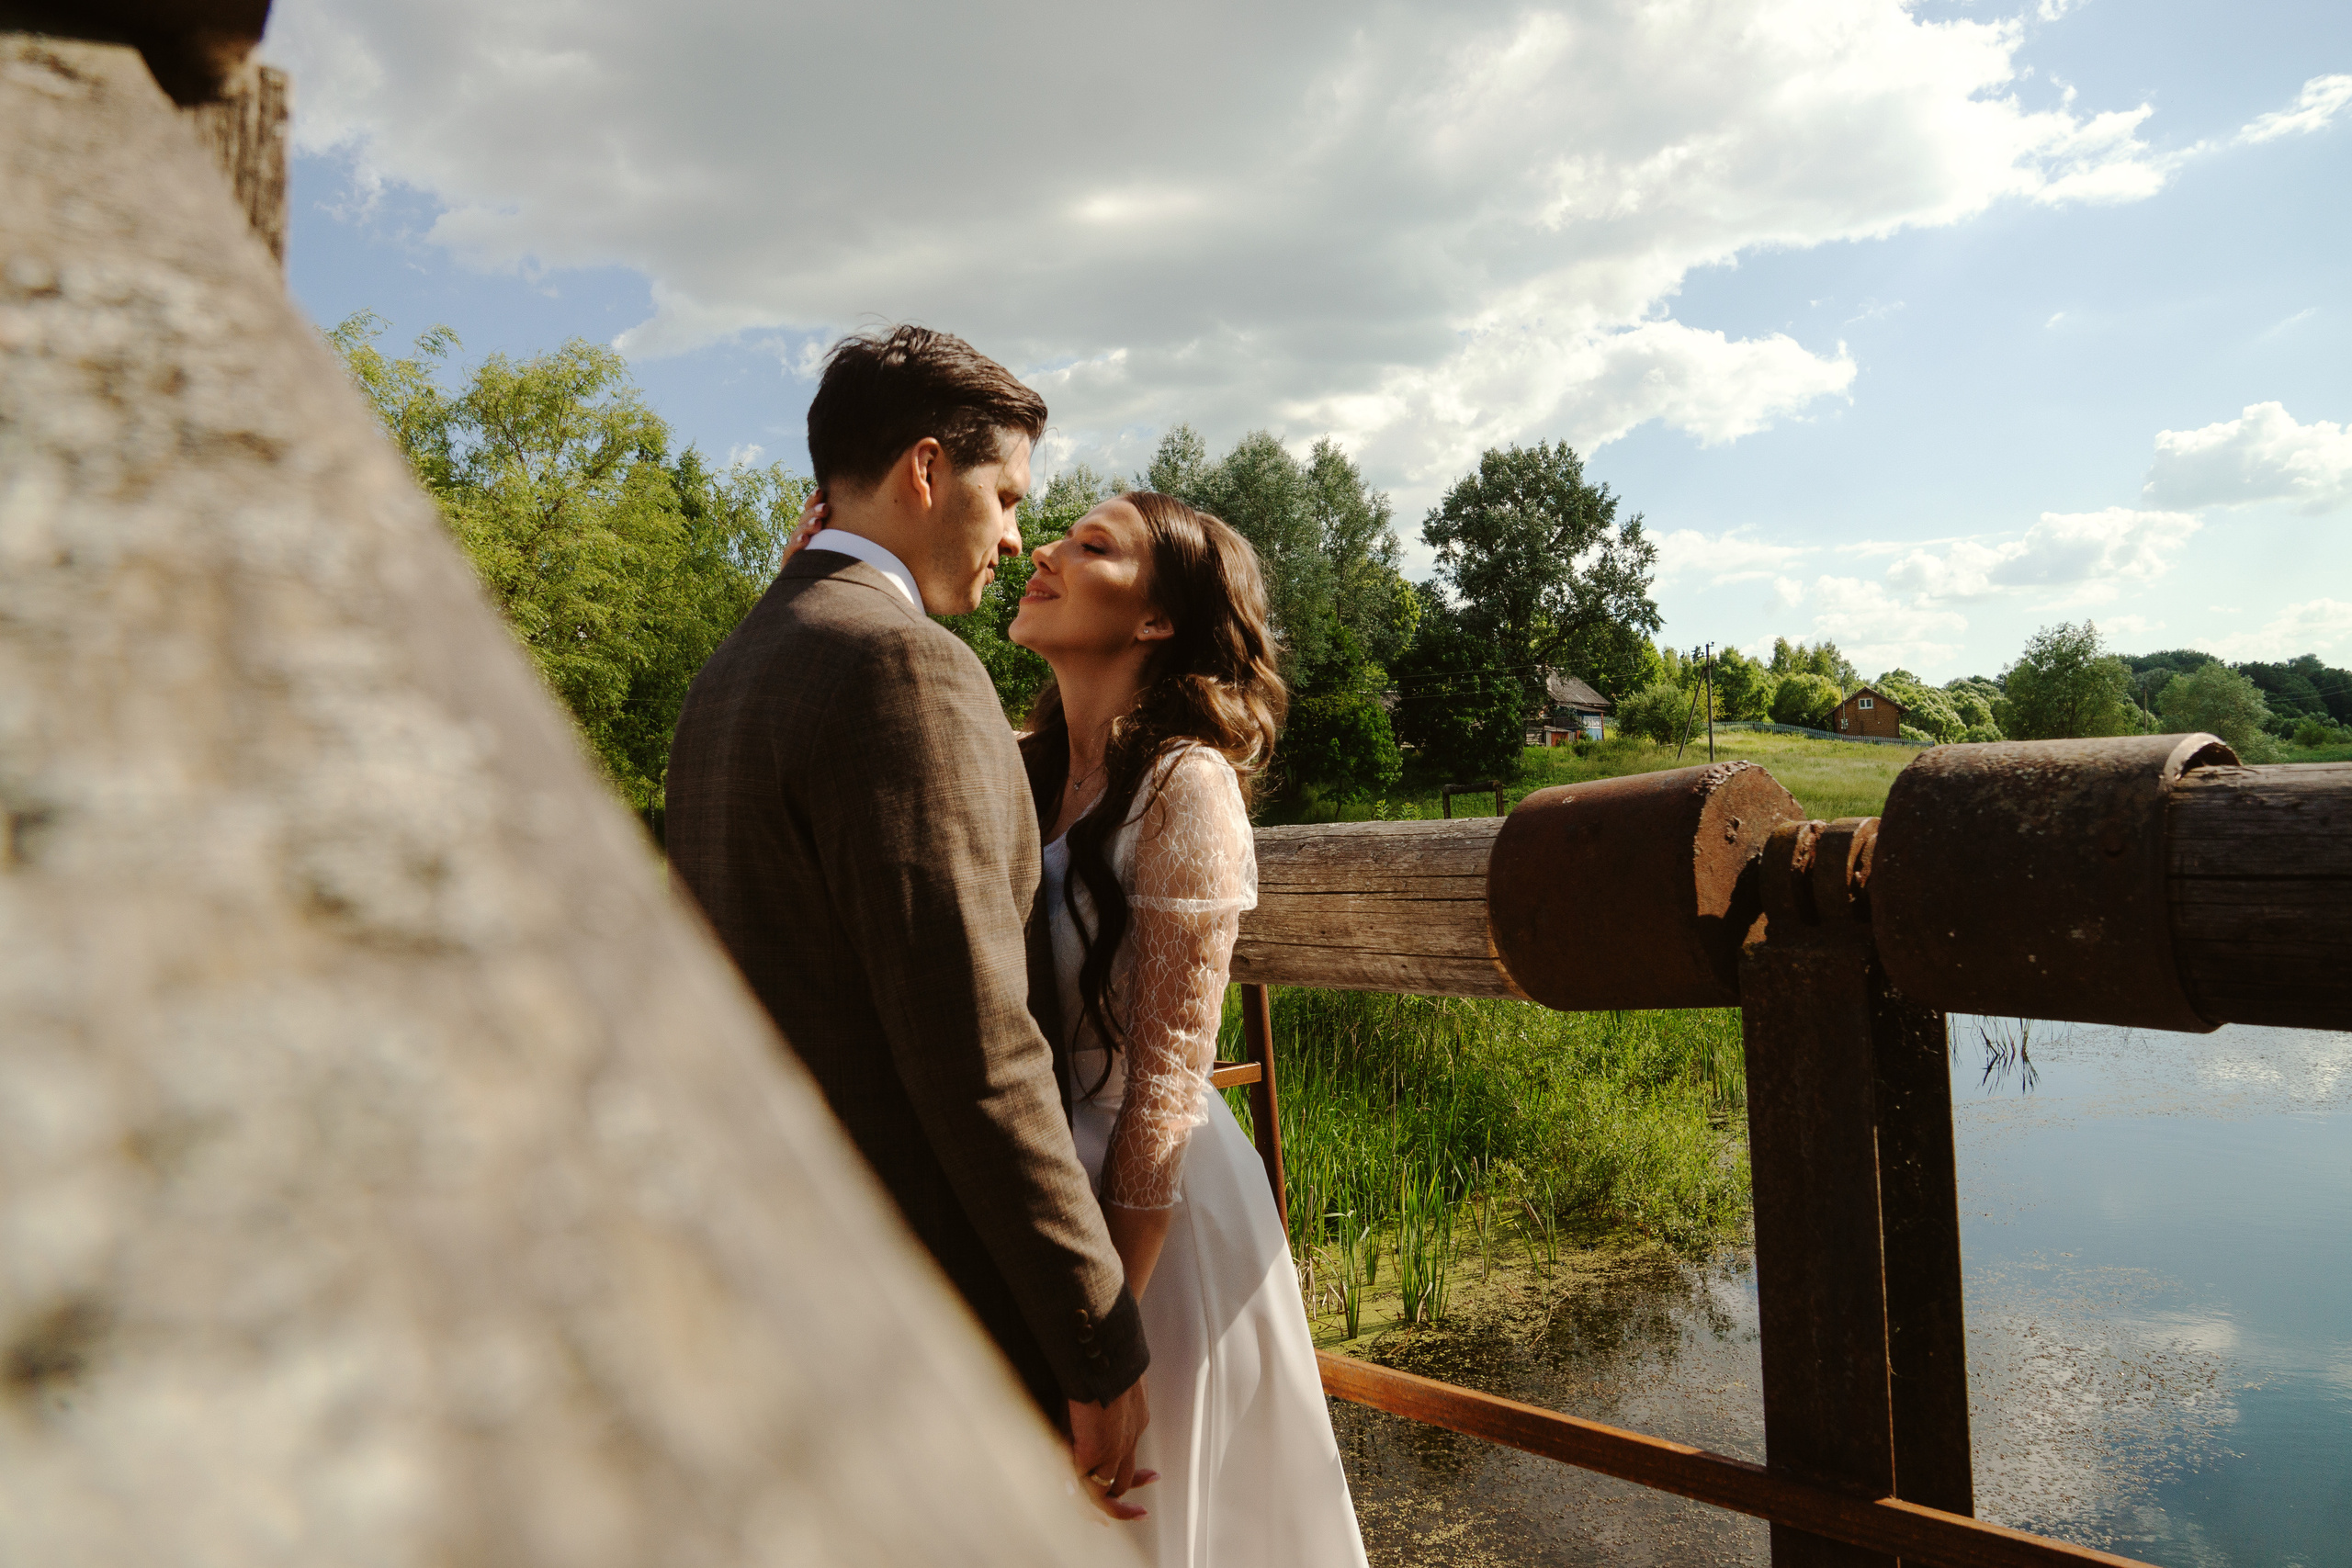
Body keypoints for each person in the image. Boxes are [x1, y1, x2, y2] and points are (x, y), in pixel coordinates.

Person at [788, 482, 1369, 1565]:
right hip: (1041, 1196)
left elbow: (1161, 1091)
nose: (1042, 550)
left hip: (1151, 1224)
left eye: (1092, 545)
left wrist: (1101, 1335)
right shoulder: (1016, 763)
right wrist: (813, 580)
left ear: (1156, 619)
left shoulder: (1184, 786)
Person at [664, 326, 1152, 1517]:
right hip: (926, 1314)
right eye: (1004, 495)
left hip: (782, 1293)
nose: (1014, 536)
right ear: (927, 472)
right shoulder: (906, 668)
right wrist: (1097, 1336)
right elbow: (979, 1048)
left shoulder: (731, 673)